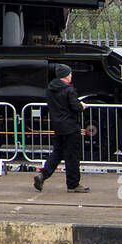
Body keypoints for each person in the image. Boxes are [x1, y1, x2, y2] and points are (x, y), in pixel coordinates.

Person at [34, 65, 88, 194]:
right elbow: (75, 107)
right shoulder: (69, 90)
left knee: (57, 153)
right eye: (70, 74)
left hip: (57, 125)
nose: (71, 76)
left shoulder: (50, 89)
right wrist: (82, 106)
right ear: (66, 75)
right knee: (72, 156)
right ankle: (73, 184)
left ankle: (43, 175)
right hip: (70, 126)